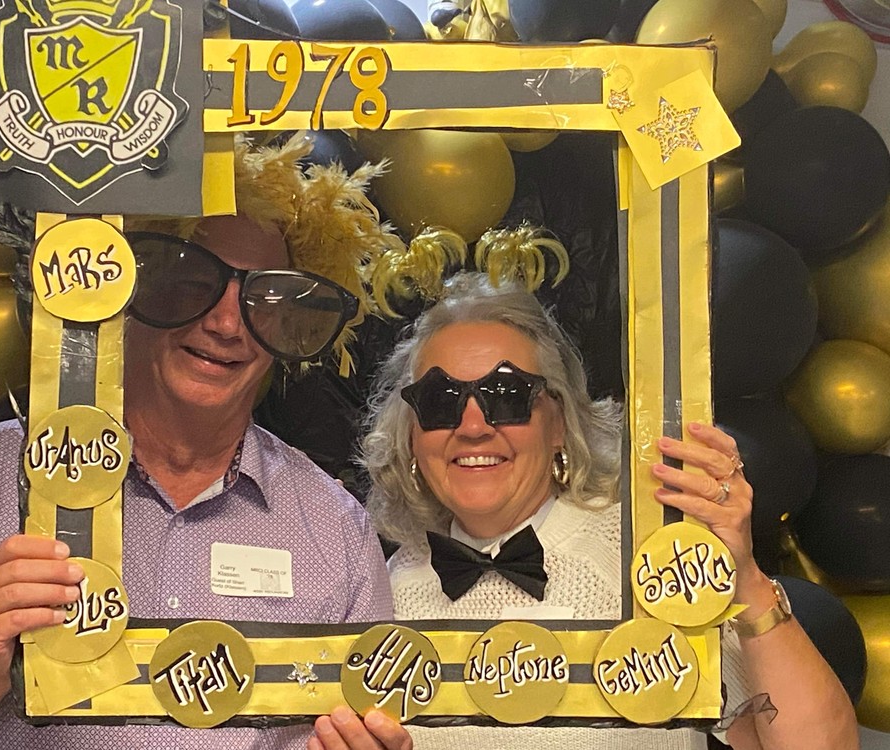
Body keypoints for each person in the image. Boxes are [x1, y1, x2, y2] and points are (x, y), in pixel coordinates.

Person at [0, 134, 401, 749]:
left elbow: (364, 716)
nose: (227, 323)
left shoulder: (335, 530)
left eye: (266, 298)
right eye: (191, 280)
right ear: (127, 288)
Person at [311, 273, 858, 750]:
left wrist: (744, 577)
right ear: (411, 434)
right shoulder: (383, 592)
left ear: (559, 422)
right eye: (439, 400)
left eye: (507, 394)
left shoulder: (647, 561)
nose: (473, 426)